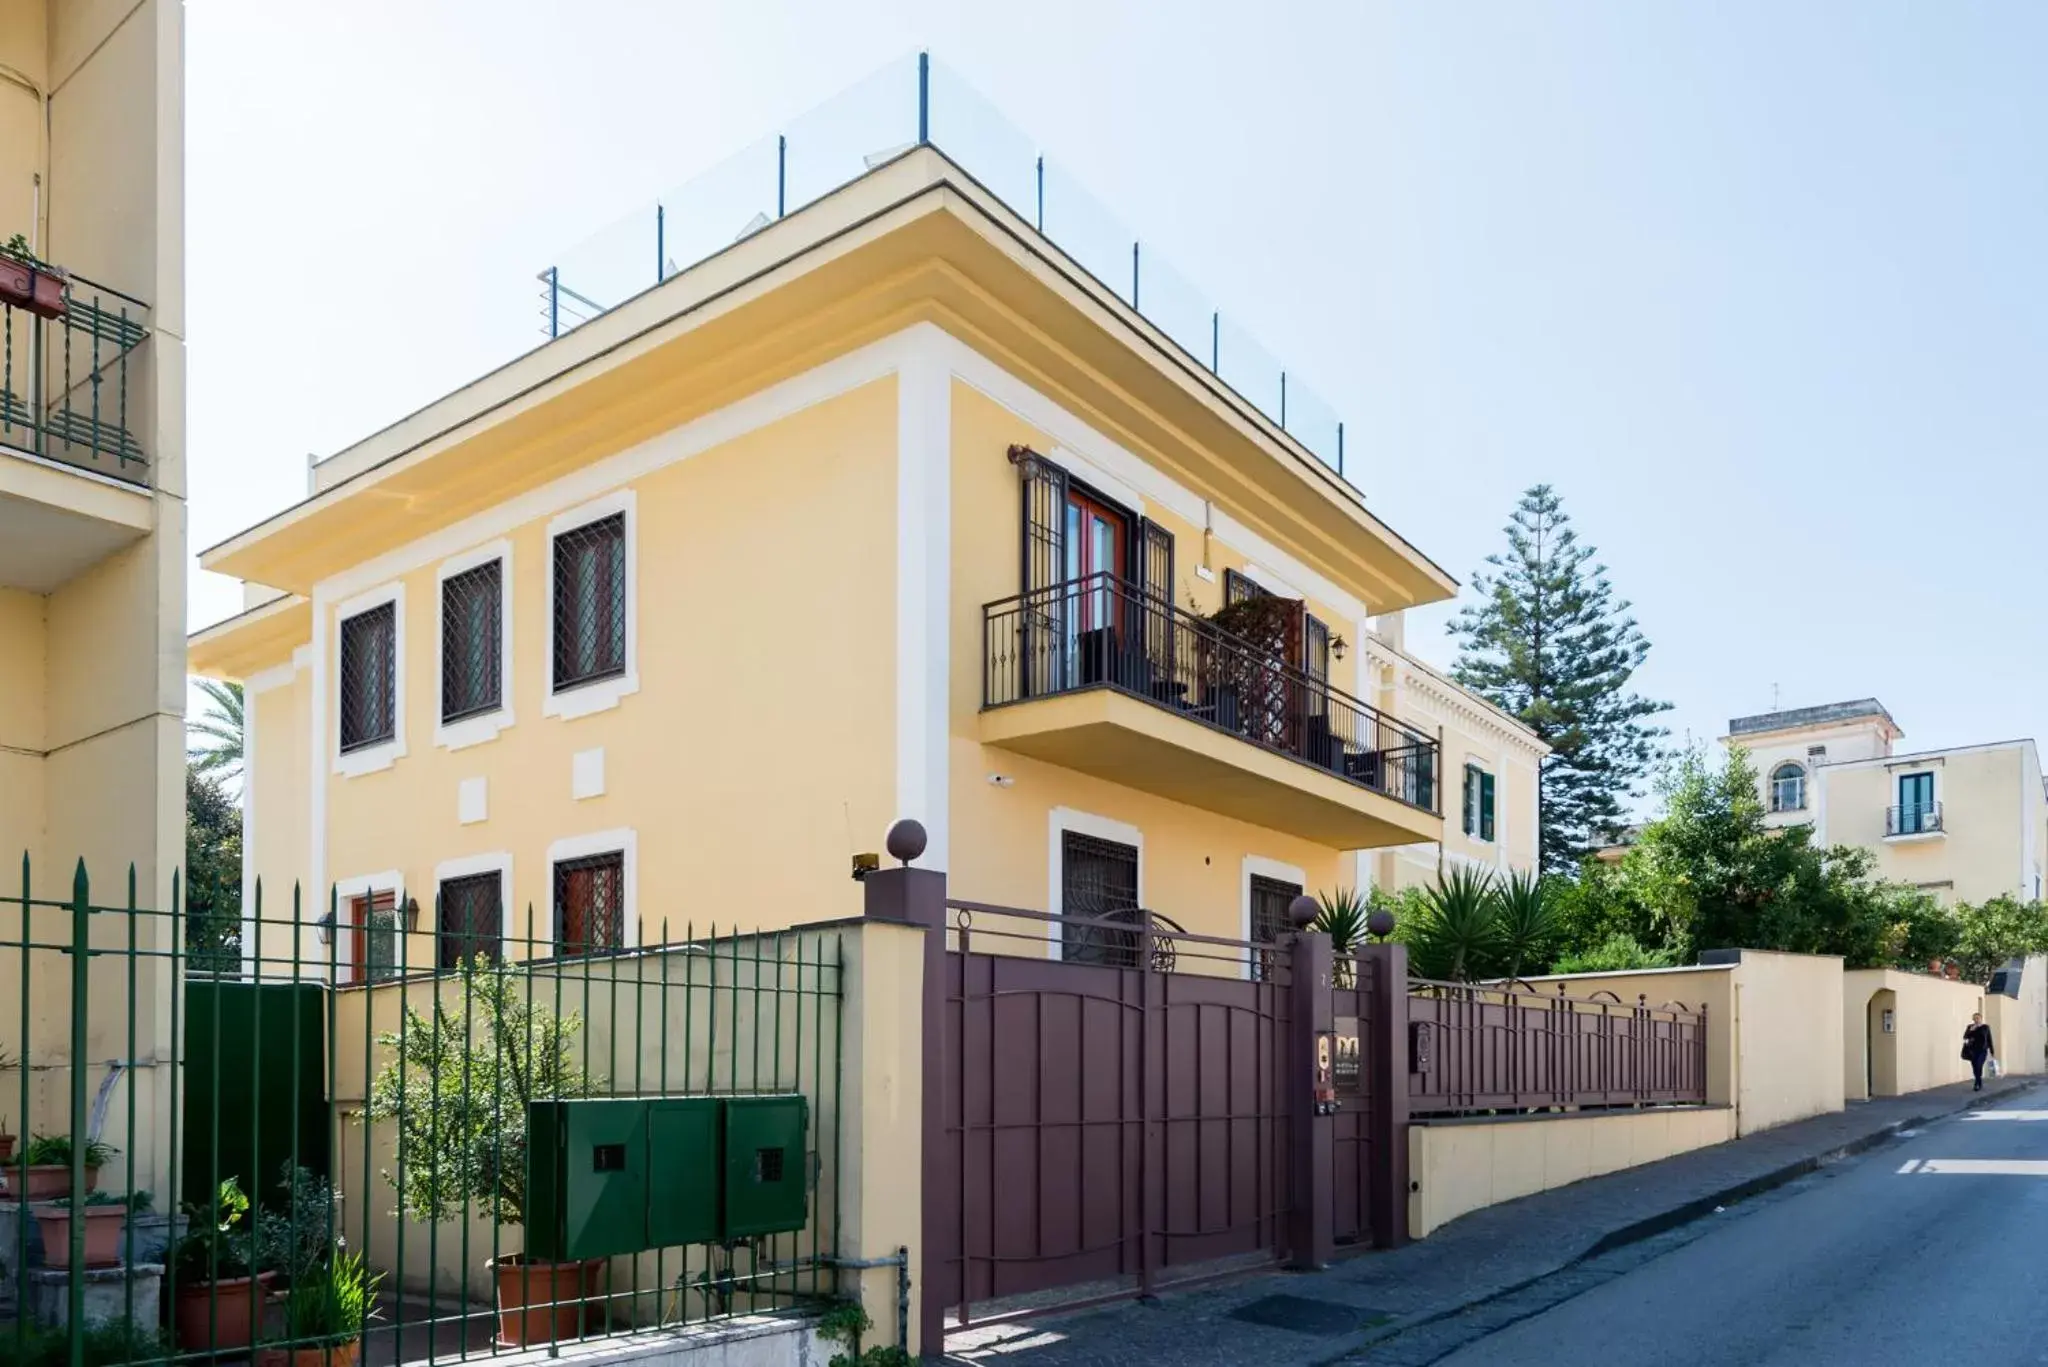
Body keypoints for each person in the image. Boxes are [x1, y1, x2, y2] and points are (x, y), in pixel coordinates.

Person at [1962, 1013, 1995, 1091]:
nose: (1976, 1020)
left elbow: (1989, 1038)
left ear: (1981, 1019)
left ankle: (1977, 1083)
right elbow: (1965, 1037)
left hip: (1982, 1050)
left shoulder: (1985, 1027)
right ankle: (1978, 1081)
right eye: (1975, 1018)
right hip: (1972, 1050)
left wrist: (1992, 1050)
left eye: (1978, 1018)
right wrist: (1971, 1030)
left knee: (1979, 1065)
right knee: (1974, 1066)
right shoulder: (1970, 1027)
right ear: (1973, 1019)